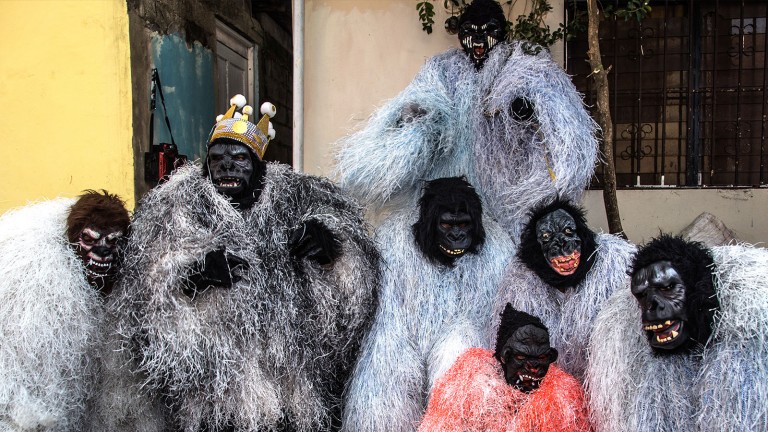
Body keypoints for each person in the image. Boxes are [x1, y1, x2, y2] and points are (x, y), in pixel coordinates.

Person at [91, 96, 379, 432]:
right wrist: (194, 276)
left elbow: (356, 274)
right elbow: (147, 289)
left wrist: (330, 251)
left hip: (291, 388)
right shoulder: (175, 210)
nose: (227, 166)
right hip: (213, 394)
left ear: (258, 164)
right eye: (217, 159)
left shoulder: (303, 198)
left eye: (239, 158)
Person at [587, 235, 768, 432]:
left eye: (667, 288)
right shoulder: (630, 358)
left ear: (698, 288)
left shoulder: (749, 336)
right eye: (642, 296)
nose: (650, 307)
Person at [0, 190, 129, 431]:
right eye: (89, 240)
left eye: (112, 242)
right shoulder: (42, 290)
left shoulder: (122, 293)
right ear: (72, 241)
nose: (102, 252)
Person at [418, 305, 590, 432]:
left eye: (542, 358)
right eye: (522, 358)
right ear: (504, 357)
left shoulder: (563, 398)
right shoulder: (468, 387)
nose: (533, 368)